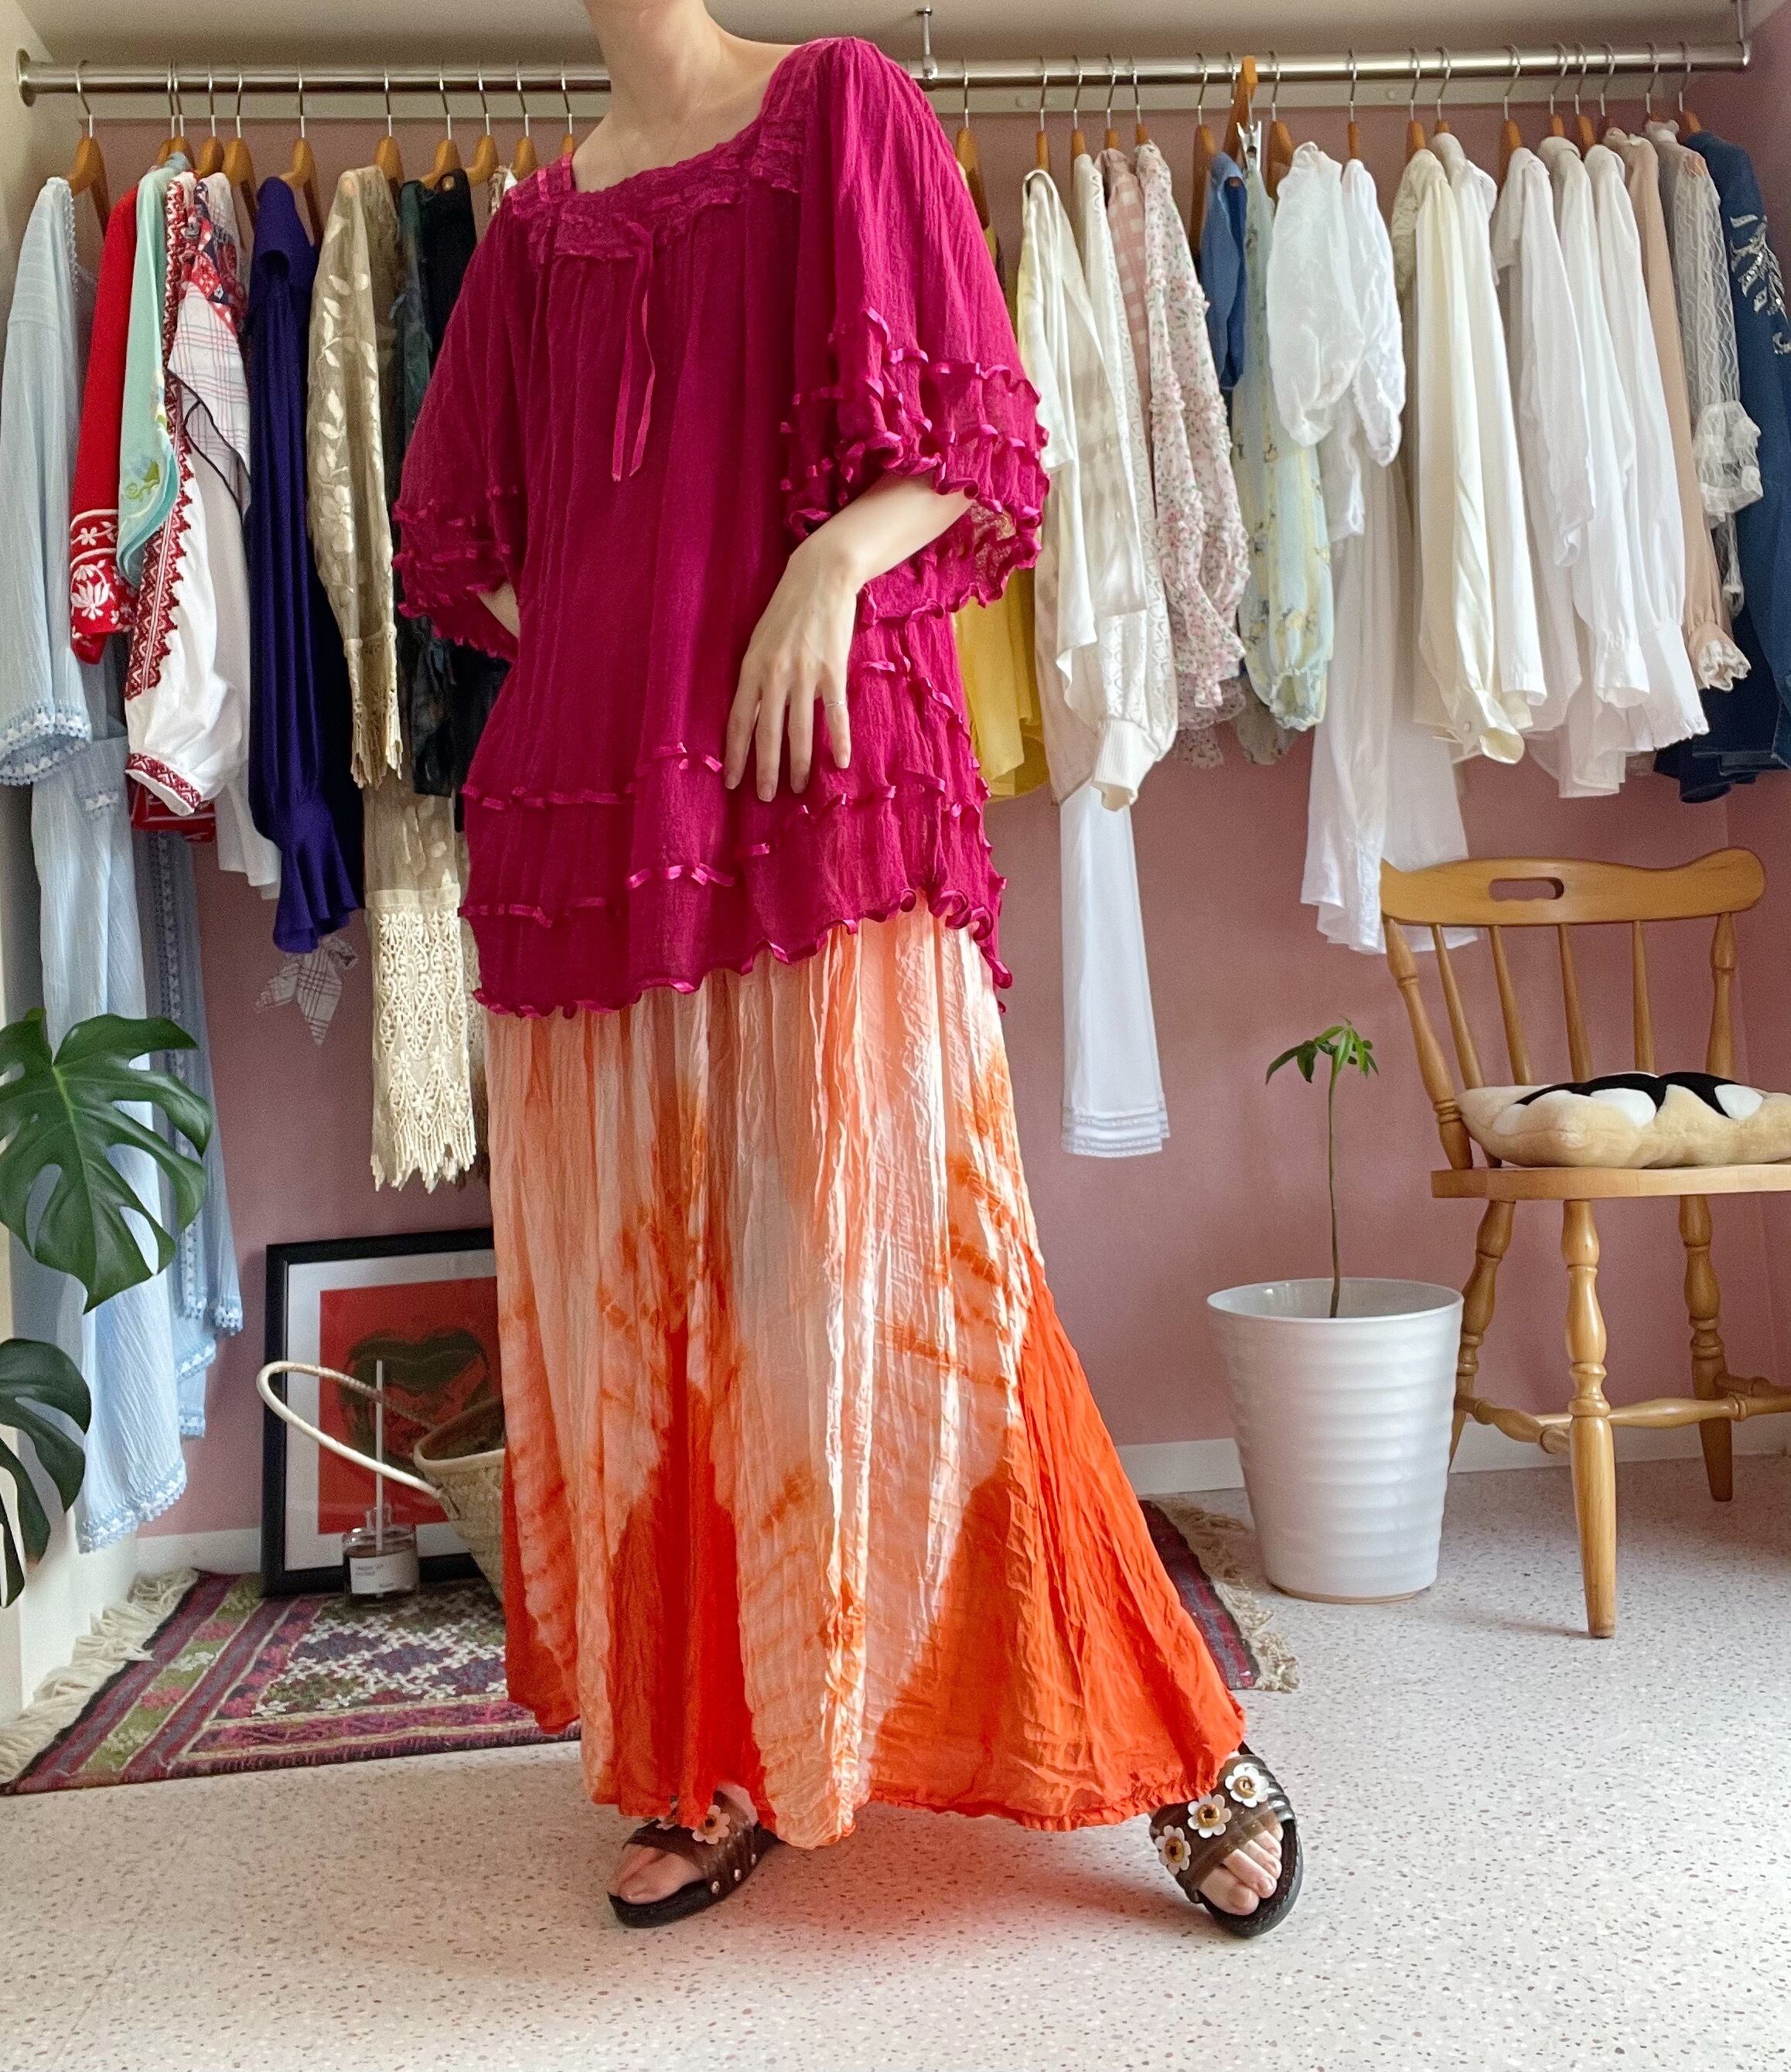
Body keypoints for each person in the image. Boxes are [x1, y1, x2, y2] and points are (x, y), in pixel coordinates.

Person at [395, 2, 1301, 1937]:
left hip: (822, 783)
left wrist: (824, 564)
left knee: (931, 1277)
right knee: (654, 1309)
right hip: (599, 815)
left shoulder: (839, 105)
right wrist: (618, 656)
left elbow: (980, 435)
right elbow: (461, 538)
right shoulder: (537, 229)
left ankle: (1171, 1731)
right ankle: (708, 1752)